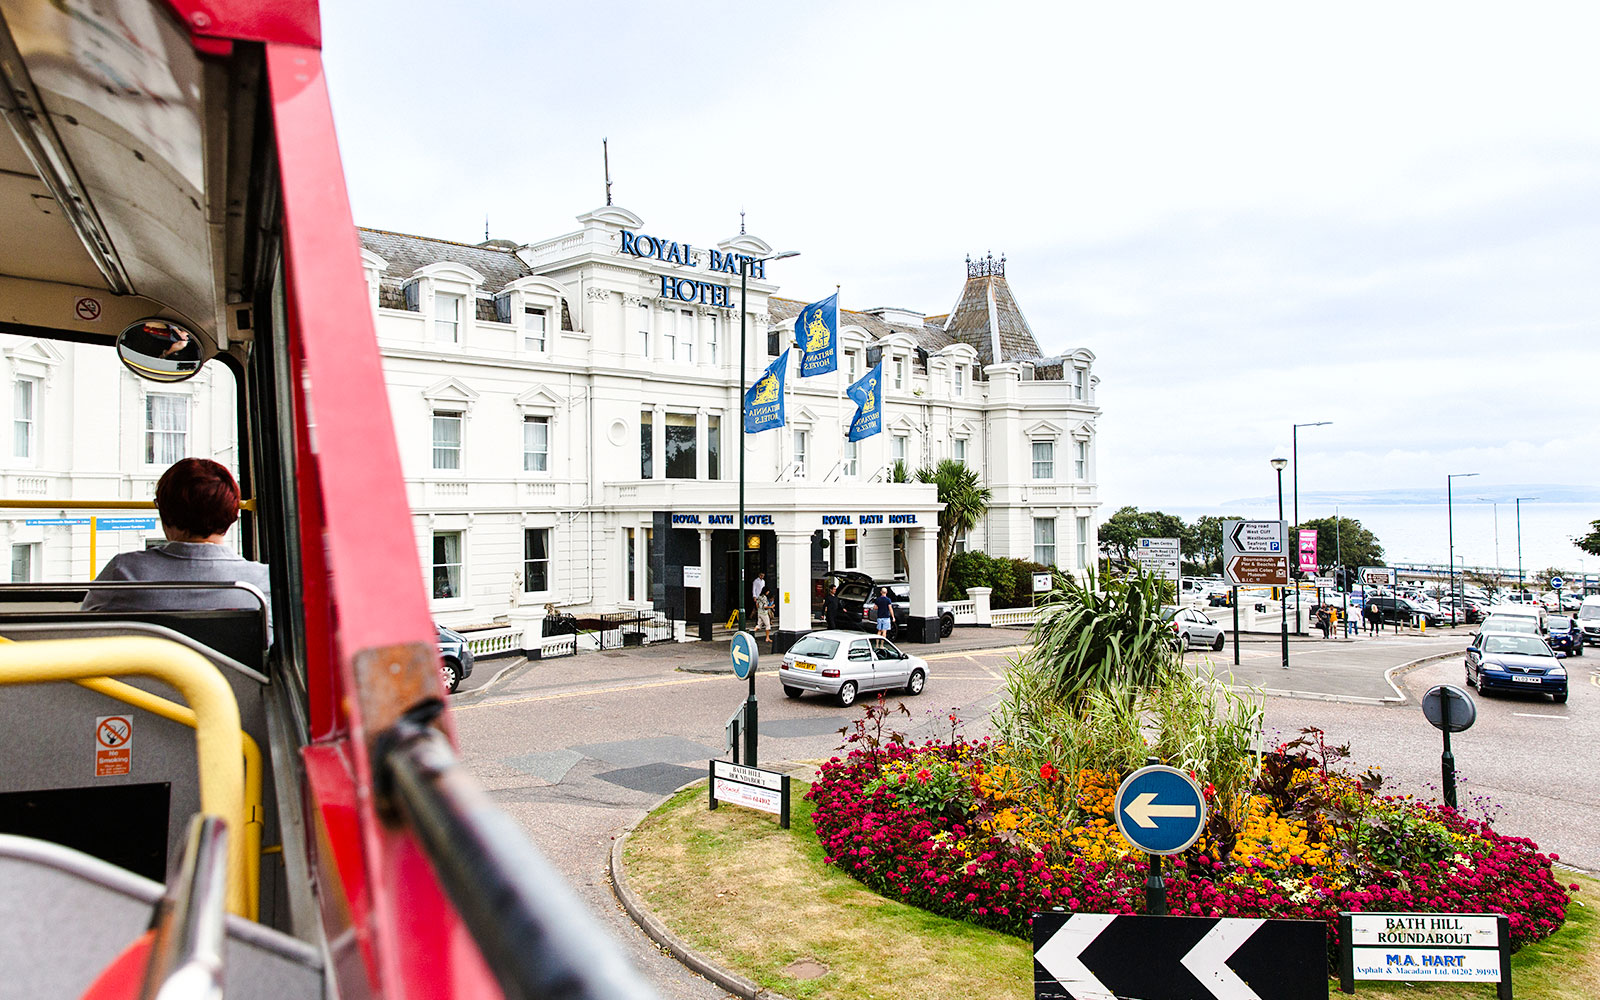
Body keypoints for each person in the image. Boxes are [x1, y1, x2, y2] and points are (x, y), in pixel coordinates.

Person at [82, 458, 273, 645]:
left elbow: (85, 634)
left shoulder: (124, 572)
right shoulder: (263, 583)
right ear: (232, 514)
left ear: (165, 512)